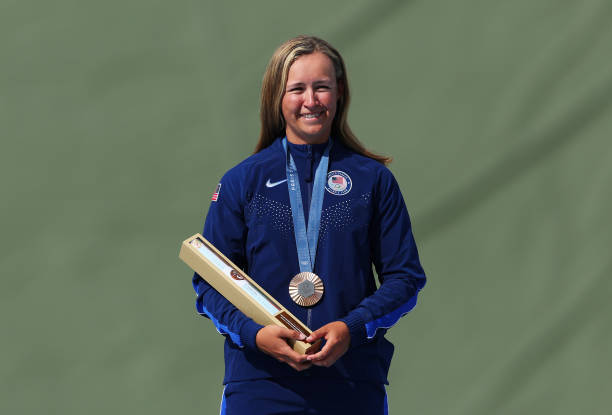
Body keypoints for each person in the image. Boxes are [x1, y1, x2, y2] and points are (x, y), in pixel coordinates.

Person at [192, 35, 426, 415]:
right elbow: (209, 284)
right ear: (276, 97)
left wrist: (353, 328)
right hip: (259, 385)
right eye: (297, 89)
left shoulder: (372, 181)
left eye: (322, 87)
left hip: (352, 384)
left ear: (339, 93)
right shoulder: (241, 182)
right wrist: (255, 335)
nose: (311, 100)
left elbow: (405, 278)